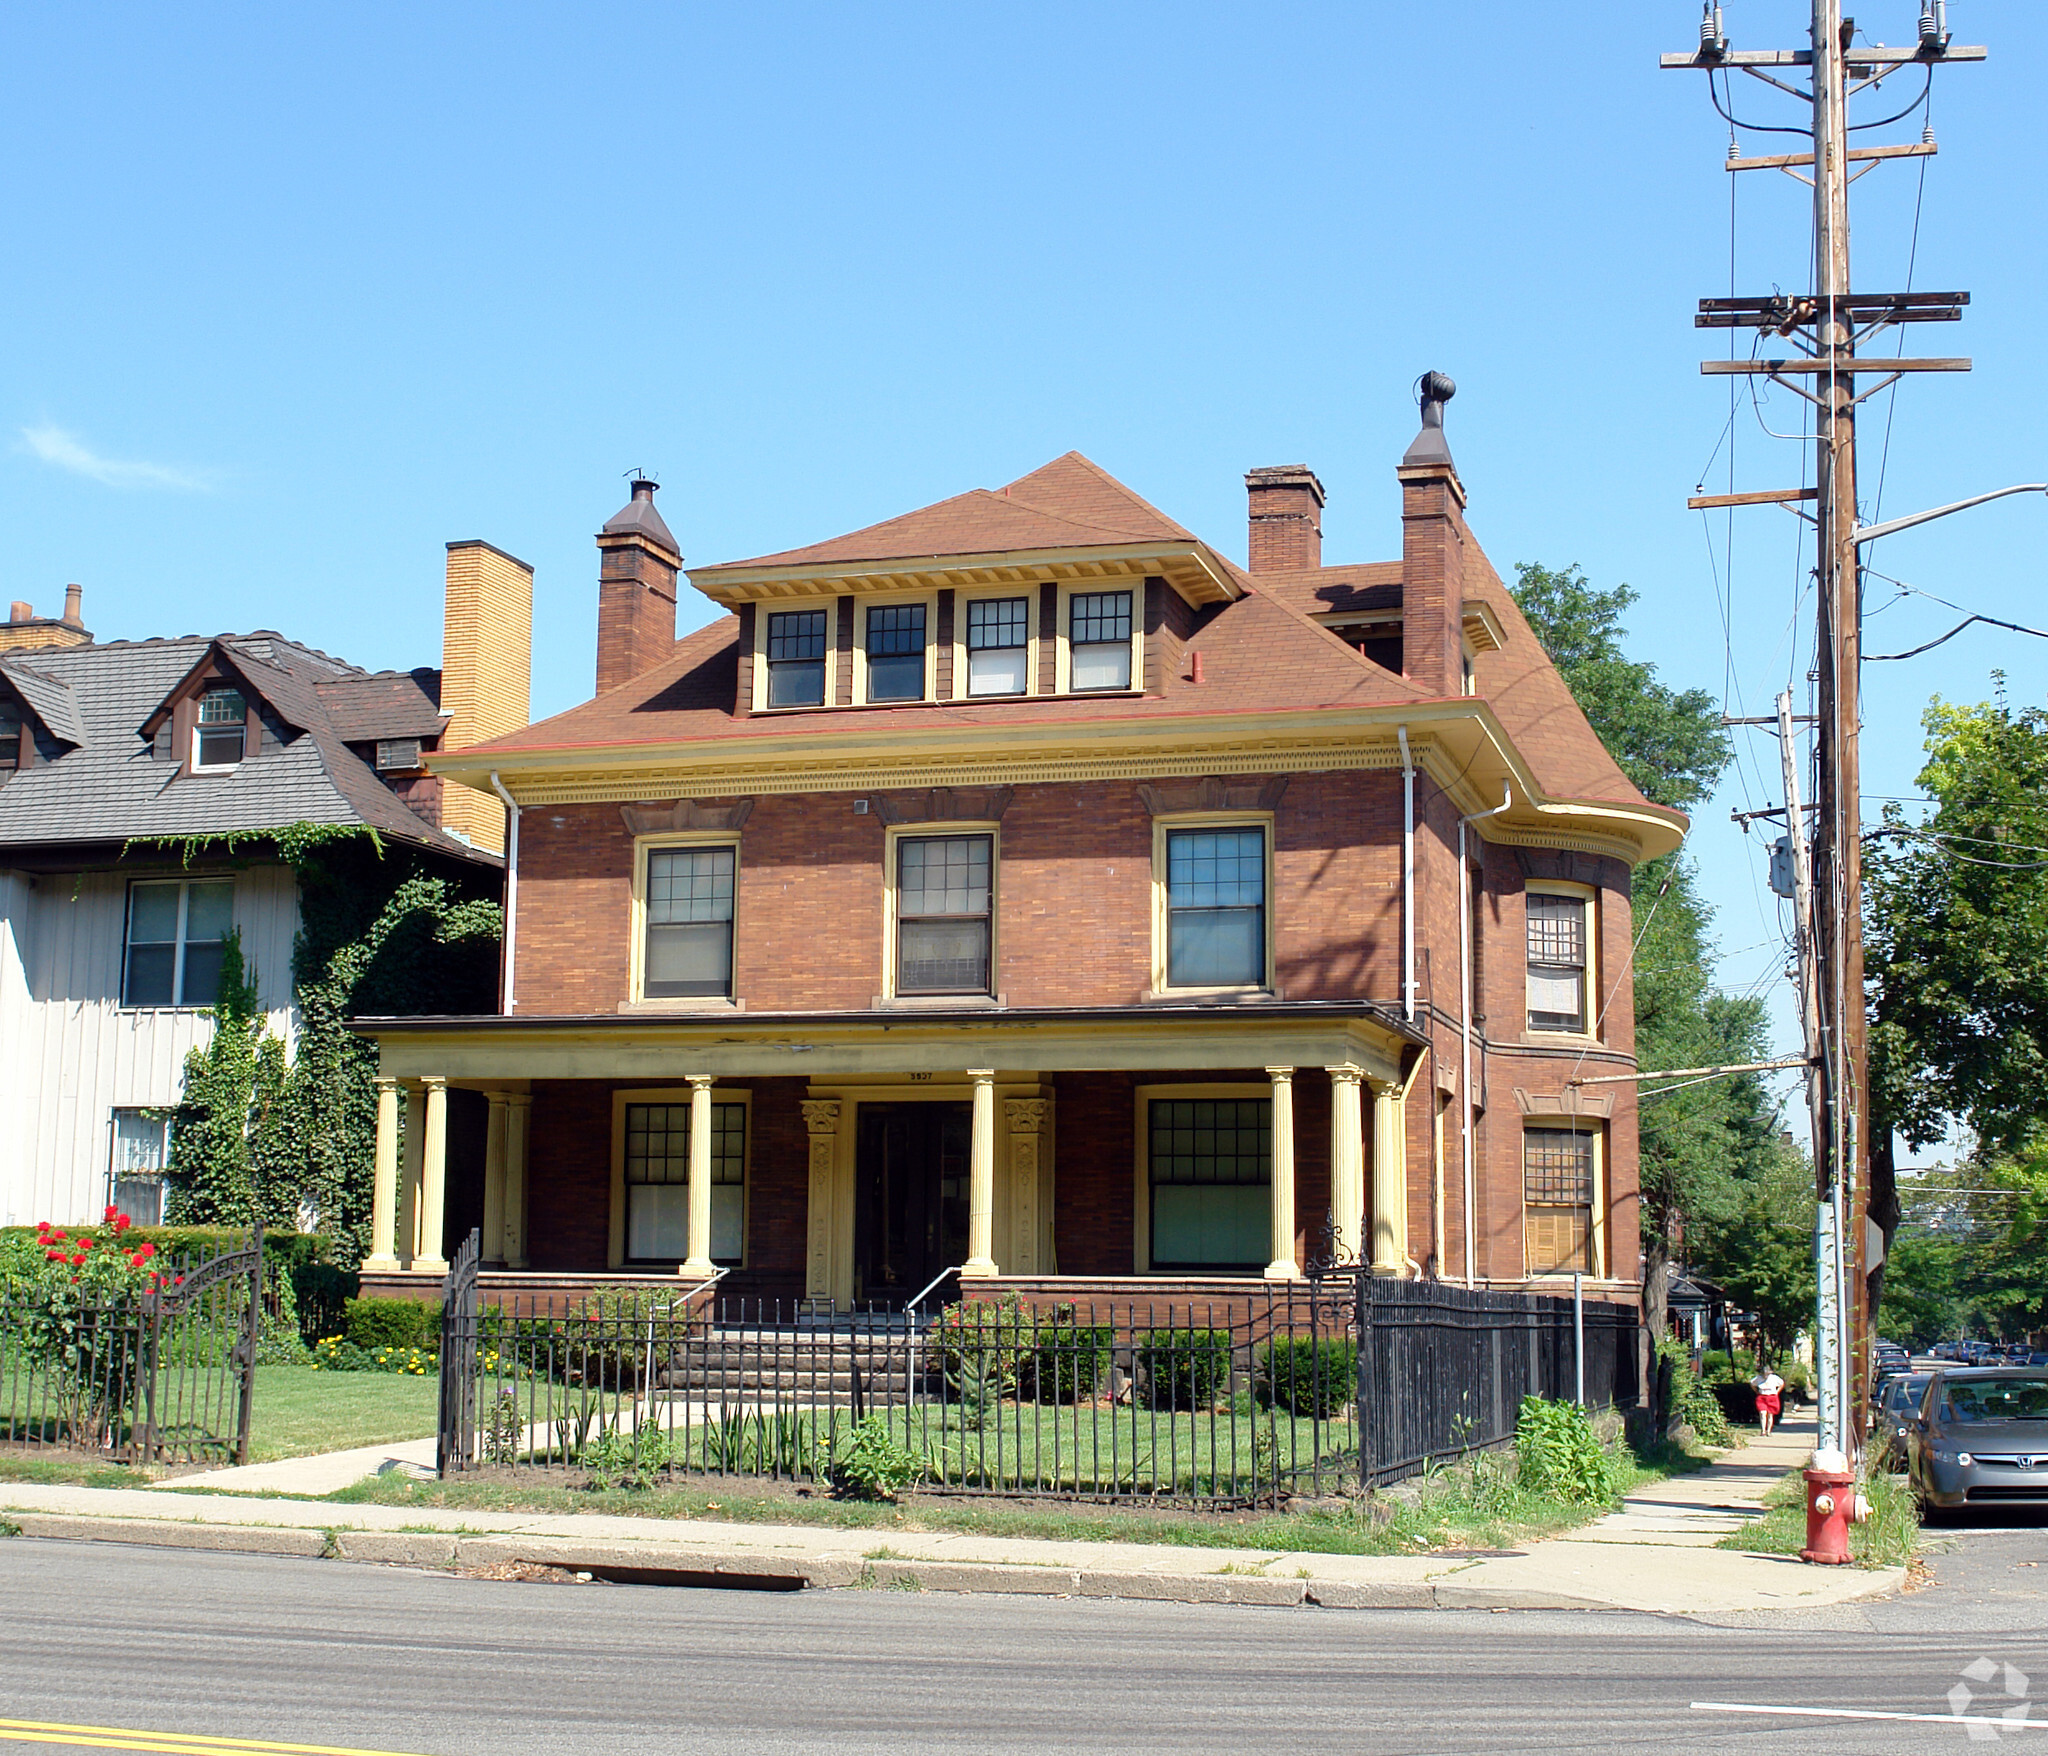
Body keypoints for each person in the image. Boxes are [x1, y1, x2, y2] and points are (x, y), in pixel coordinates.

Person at [1752, 1364, 1785, 1436]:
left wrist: (1777, 1391)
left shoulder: (1774, 1378)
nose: (1765, 1376)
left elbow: (1782, 1384)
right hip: (1762, 1397)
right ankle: (1763, 1431)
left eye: (1767, 1374)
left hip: (1772, 1396)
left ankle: (1768, 1431)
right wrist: (1757, 1392)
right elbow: (1752, 1384)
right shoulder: (1758, 1378)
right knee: (1762, 1413)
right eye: (1764, 1374)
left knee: (1770, 1414)